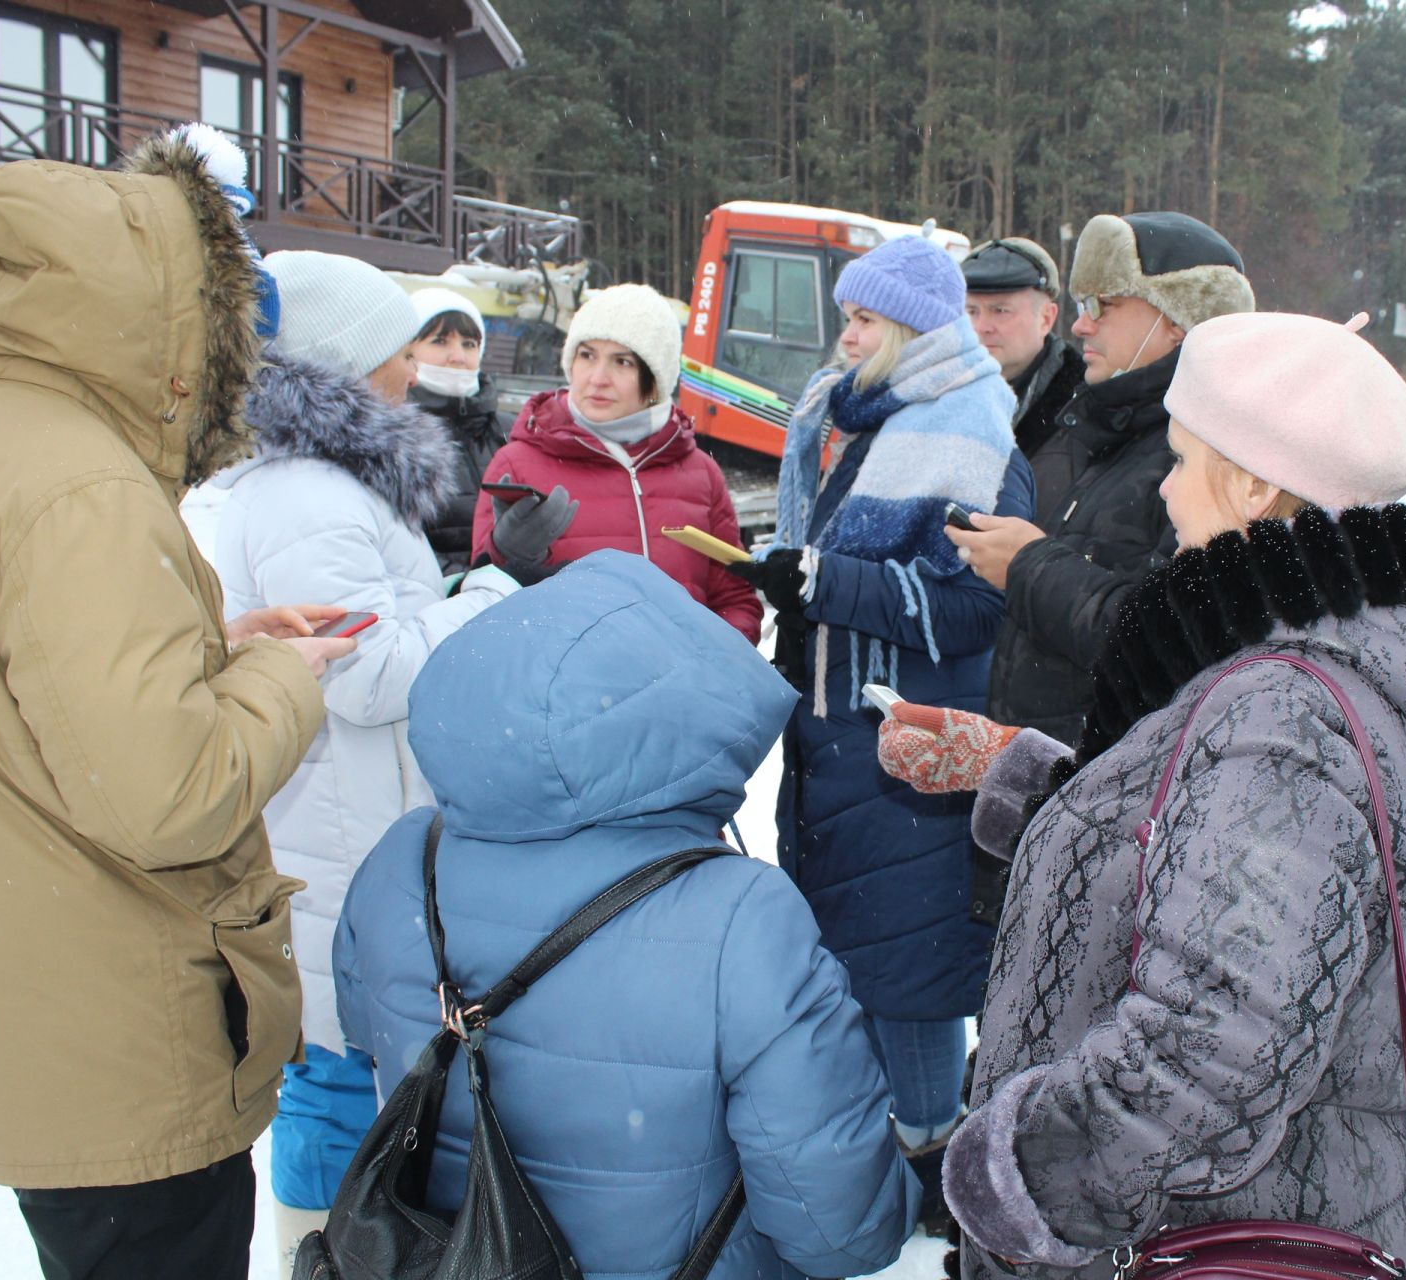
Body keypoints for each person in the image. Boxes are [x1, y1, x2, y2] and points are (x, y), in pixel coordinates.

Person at [878, 312, 1406, 1276]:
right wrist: (1020, 770)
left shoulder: (1285, 715)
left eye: (1179, 459)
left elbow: (1208, 1053)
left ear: (1255, 485)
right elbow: (1202, 853)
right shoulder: (1317, 651)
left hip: (1193, 1235)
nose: (1165, 489)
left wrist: (1017, 1177)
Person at [0, 126, 356, 1279]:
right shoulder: (82, 484)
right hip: (121, 1045)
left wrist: (209, 641)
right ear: (164, 308)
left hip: (18, 1004)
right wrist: (284, 676)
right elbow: (172, 794)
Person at [334, 551, 918, 1280]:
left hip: (444, 1255)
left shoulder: (402, 860)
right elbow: (841, 1229)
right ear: (684, 721)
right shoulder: (740, 918)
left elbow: (368, 1033)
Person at [208, 249, 520, 1263]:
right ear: (347, 359)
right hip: (337, 830)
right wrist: (489, 593)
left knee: (346, 1066)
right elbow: (364, 672)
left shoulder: (325, 477)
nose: (413, 365)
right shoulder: (307, 492)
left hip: (347, 814)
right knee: (339, 1073)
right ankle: (321, 1247)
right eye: (396, 345)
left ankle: (331, 1241)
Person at [726, 234, 1036, 1227]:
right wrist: (792, 581)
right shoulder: (847, 411)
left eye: (861, 319)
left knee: (910, 970)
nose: (844, 333)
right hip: (834, 737)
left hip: (905, 745)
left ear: (905, 330)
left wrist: (821, 580)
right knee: (857, 954)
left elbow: (976, 608)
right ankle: (892, 1149)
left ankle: (934, 1166)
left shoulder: (975, 430)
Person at [949, 212, 1255, 748]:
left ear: (1178, 319)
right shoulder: (1097, 427)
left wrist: (1027, 564)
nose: (1080, 325)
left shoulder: (1211, 456)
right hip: (1044, 782)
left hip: (1108, 795)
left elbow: (1170, 643)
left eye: (1102, 306)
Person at [470, 283, 763, 641]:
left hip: (682, 693)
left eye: (622, 361)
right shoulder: (516, 463)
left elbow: (734, 599)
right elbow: (483, 605)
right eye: (587, 355)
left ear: (656, 379)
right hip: (568, 693)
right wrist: (506, 558)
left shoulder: (701, 473)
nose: (597, 378)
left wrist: (713, 664)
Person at [408, 287, 510, 575]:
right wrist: (461, 585)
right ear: (407, 350)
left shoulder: (509, 430)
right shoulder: (393, 432)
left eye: (469, 344)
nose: (458, 357)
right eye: (440, 341)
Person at [960, 237, 1084, 464]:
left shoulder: (1085, 411)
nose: (982, 327)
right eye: (971, 312)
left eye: (1000, 311)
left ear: (1046, 319)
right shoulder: (935, 395)